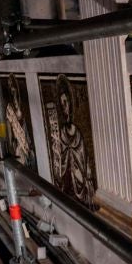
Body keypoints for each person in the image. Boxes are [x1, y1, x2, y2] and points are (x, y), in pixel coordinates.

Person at [48, 75, 94, 207]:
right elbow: (58, 161)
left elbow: (85, 162)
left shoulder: (78, 135)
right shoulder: (60, 134)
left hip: (80, 184)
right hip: (67, 189)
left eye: (66, 103)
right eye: (61, 104)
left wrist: (81, 175)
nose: (64, 108)